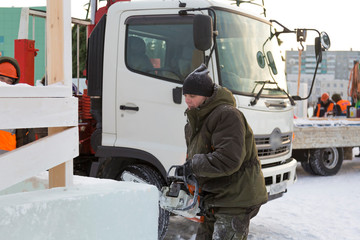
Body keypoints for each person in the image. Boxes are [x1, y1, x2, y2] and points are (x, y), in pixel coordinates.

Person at [177, 64, 268, 240]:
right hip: (215, 198)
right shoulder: (195, 120)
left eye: (192, 96)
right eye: (185, 95)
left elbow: (228, 160)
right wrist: (186, 174)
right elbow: (201, 156)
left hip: (235, 198)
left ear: (206, 95)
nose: (187, 100)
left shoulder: (227, 115)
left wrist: (193, 166)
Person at [0, 56, 35, 154]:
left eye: (9, 81)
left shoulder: (18, 108)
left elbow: (25, 139)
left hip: (10, 162)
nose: (4, 84)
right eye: (1, 79)